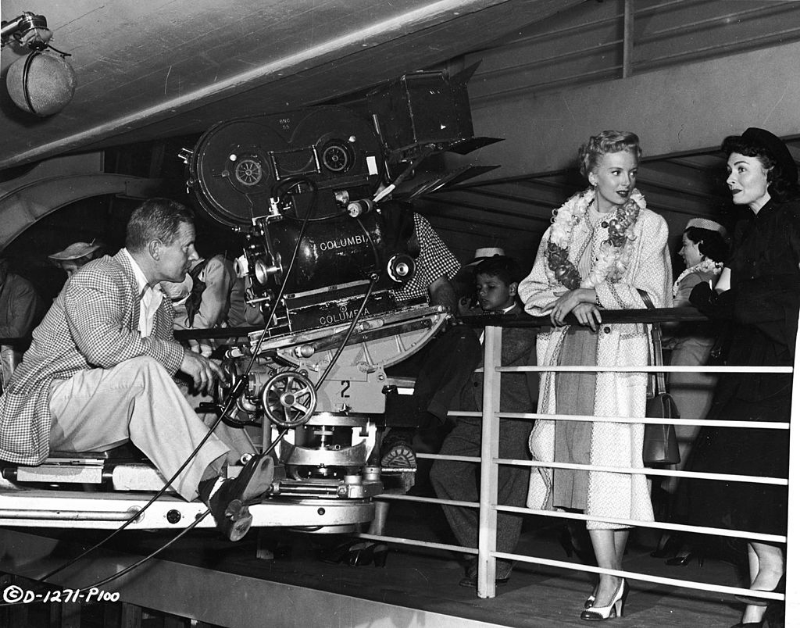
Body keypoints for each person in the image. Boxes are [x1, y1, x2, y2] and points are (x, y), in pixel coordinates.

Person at [0, 198, 275, 542]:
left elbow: (160, 382)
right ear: (157, 248)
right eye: (186, 246)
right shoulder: (99, 276)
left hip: (90, 412)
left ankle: (236, 474)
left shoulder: (157, 302)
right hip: (41, 409)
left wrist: (203, 370)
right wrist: (179, 357)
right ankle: (214, 486)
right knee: (145, 370)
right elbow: (104, 347)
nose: (193, 256)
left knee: (203, 386)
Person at [518, 130, 671, 621]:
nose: (625, 181)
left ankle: (610, 581)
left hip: (617, 359)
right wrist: (567, 301)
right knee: (569, 467)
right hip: (567, 357)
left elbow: (653, 294)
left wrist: (589, 296)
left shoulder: (651, 226)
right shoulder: (561, 225)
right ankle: (613, 575)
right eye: (615, 171)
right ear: (592, 174)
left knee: (611, 471)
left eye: (631, 171)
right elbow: (534, 289)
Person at [683, 127, 799, 628]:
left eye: (741, 169)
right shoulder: (748, 226)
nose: (729, 178)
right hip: (748, 368)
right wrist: (716, 300)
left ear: (770, 171)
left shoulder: (790, 218)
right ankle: (760, 609)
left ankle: (760, 610)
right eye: (729, 169)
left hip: (777, 371)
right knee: (739, 488)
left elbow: (760, 299)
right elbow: (723, 297)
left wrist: (715, 300)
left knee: (757, 489)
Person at [320, 207, 480, 566]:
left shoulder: (412, 220)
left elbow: (441, 285)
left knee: (463, 341)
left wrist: (440, 318)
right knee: (366, 448)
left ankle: (410, 428)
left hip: (411, 340)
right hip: (358, 343)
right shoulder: (336, 228)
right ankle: (362, 536)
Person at [430, 255, 537, 588]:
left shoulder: (526, 320)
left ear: (514, 289)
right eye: (479, 288)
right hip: (473, 417)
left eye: (492, 287)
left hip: (511, 418)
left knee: (508, 493)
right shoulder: (477, 319)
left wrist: (463, 328)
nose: (483, 294)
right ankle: (478, 550)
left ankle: (497, 564)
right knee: (443, 472)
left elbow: (498, 354)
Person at [651, 217, 729, 564]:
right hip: (700, 367)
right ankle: (681, 536)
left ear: (701, 247)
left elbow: (672, 322)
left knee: (679, 448)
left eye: (685, 244)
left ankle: (682, 537)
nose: (680, 251)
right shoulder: (713, 277)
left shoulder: (695, 280)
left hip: (689, 368)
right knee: (685, 449)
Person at [0, 258, 46, 390]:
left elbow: (17, 331)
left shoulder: (21, 288)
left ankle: (10, 395)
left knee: (7, 351)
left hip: (25, 350)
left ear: (3, 267)